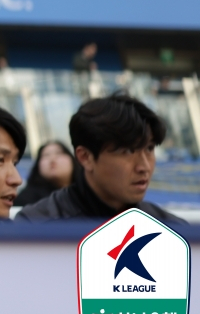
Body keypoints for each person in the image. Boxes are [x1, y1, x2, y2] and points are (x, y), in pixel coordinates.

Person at [16, 94, 183, 223]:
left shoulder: (171, 230)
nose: (144, 166)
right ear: (85, 157)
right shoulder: (35, 227)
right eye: (127, 151)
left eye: (149, 148)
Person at [14, 141, 77, 207]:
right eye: (46, 155)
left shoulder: (84, 194)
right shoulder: (26, 200)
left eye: (59, 153)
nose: (52, 159)